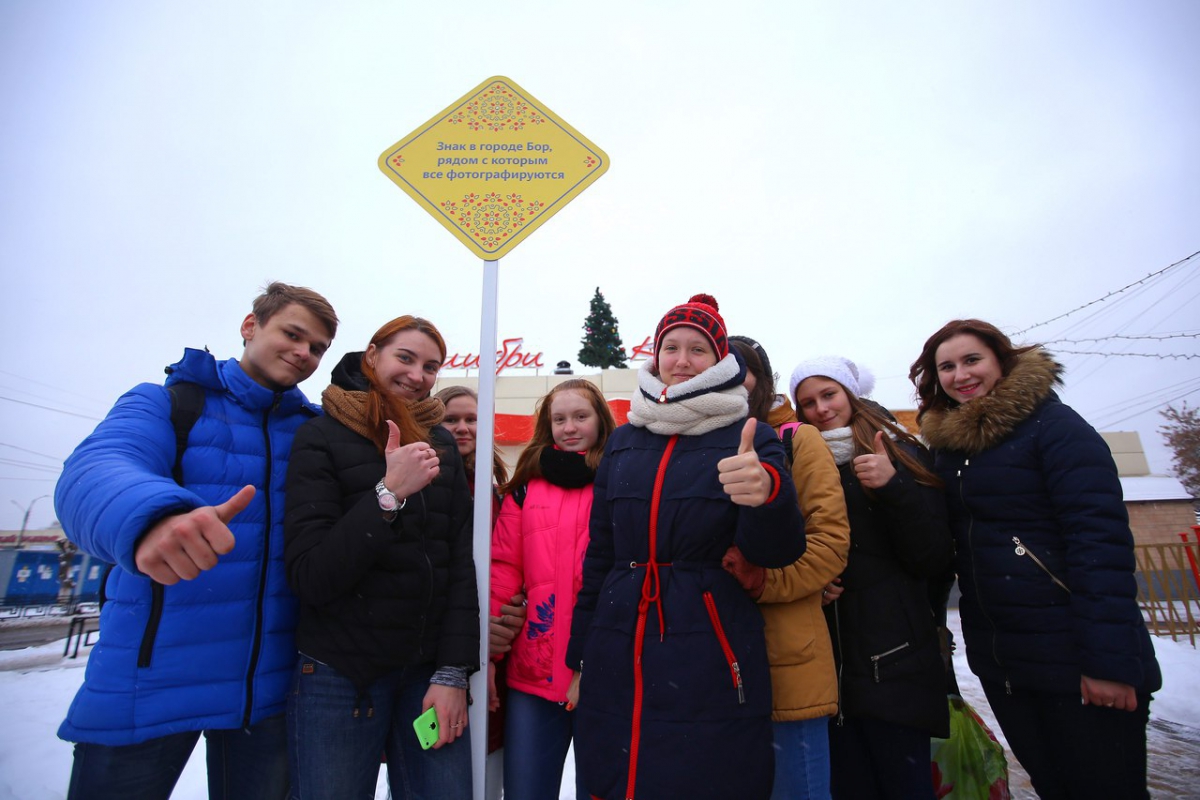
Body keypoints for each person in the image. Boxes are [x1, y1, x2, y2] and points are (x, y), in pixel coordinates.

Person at [53, 282, 338, 800]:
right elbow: (95, 470)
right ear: (251, 327)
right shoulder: (169, 402)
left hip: (269, 692)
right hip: (148, 684)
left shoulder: (314, 432)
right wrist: (151, 517)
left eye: (318, 348)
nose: (304, 353)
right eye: (293, 334)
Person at [566, 294, 808, 800]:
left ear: (720, 359)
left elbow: (779, 550)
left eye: (697, 349)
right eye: (670, 347)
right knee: (616, 771)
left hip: (708, 637)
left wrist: (766, 496)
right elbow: (601, 554)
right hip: (617, 634)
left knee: (703, 773)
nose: (680, 361)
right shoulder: (626, 438)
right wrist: (580, 659)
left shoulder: (750, 434)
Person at [910, 320, 1161, 800]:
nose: (960, 375)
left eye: (972, 360)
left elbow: (1100, 547)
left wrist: (1109, 662)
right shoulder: (948, 450)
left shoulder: (1055, 428)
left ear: (1001, 361)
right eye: (947, 366)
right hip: (1008, 664)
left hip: (1078, 658)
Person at [283, 316, 478, 800]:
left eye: (431, 366)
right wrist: (388, 494)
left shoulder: (441, 443)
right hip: (338, 671)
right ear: (372, 356)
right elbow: (311, 576)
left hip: (426, 674)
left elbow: (458, 566)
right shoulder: (320, 436)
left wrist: (453, 672)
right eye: (405, 358)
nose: (418, 375)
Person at [789, 356, 954, 800]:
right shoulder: (797, 466)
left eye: (829, 395)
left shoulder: (900, 452)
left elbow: (934, 557)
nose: (821, 409)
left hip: (895, 659)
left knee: (904, 786)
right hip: (831, 666)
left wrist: (893, 487)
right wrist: (814, 580)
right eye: (808, 402)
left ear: (850, 394)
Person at [725, 338, 851, 800]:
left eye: (741, 368)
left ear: (761, 379)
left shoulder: (796, 439)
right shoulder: (687, 446)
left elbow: (830, 543)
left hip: (788, 661)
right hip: (710, 665)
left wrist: (764, 582)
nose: (729, 375)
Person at [489, 379, 617, 800]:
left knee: (605, 790)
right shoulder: (526, 487)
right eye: (558, 419)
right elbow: (504, 568)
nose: (569, 427)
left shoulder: (618, 481)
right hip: (534, 668)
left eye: (581, 416)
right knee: (526, 791)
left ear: (601, 419)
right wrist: (490, 648)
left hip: (604, 669)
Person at [433, 383, 517, 800]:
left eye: (472, 419)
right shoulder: (424, 485)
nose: (463, 428)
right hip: (435, 657)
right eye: (451, 419)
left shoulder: (498, 494)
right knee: (430, 769)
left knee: (487, 777)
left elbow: (511, 567)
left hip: (496, 661)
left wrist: (508, 614)